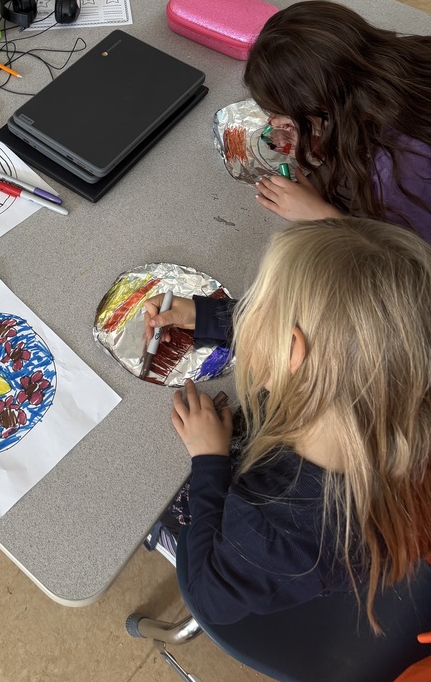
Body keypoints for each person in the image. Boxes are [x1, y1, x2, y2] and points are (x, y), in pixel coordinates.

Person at [144, 218, 431, 630]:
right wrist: (205, 315)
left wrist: (209, 461)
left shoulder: (277, 530)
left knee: (162, 500)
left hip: (246, 567)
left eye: (257, 307)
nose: (250, 315)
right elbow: (335, 341)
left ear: (291, 349)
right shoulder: (397, 395)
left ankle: (171, 534)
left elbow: (207, 598)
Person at [243, 0, 431, 243]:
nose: (274, 122)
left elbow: (409, 269)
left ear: (326, 108)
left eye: (283, 114)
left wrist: (323, 218)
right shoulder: (412, 55)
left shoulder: (395, 177)